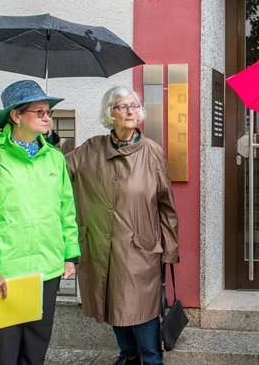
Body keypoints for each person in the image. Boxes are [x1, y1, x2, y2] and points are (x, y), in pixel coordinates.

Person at [0, 79, 81, 365]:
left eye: (49, 112)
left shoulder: (54, 158)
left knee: (35, 352)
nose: (48, 117)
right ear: (16, 115)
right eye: (40, 112)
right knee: (4, 353)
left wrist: (69, 254)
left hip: (45, 270)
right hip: (3, 271)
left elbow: (66, 209)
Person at [65, 85, 179, 365]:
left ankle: (151, 360)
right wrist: (45, 142)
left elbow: (166, 205)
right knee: (112, 304)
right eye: (122, 106)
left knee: (139, 310)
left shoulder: (152, 152)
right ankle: (127, 356)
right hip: (100, 246)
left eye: (134, 106)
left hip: (139, 248)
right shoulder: (91, 149)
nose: (130, 112)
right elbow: (56, 170)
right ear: (109, 113)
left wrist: (170, 249)